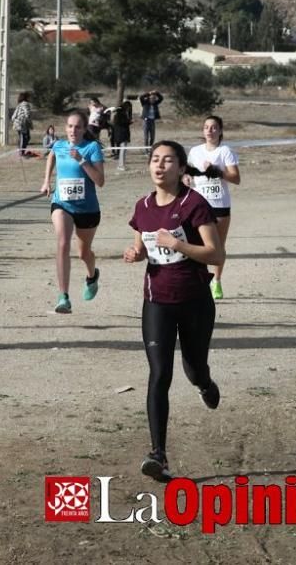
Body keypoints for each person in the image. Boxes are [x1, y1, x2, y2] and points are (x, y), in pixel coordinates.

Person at [124, 140, 224, 482]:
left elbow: (216, 254)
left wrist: (178, 244)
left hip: (195, 300)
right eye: (155, 159)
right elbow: (143, 245)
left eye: (168, 160)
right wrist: (135, 254)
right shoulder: (143, 207)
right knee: (159, 374)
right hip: (157, 301)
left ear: (182, 168)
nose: (160, 165)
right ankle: (158, 454)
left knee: (194, 369)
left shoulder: (194, 204)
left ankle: (206, 384)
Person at [40, 111, 105, 314]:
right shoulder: (59, 145)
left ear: (85, 129)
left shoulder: (92, 148)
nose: (72, 130)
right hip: (62, 204)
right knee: (62, 243)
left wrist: (82, 160)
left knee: (83, 253)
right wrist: (46, 181)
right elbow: (51, 156)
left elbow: (100, 181)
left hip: (87, 209)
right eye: (69, 126)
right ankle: (63, 297)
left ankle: (92, 275)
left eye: (77, 127)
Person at [187, 116, 240, 298]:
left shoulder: (226, 151)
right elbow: (188, 172)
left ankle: (216, 281)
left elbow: (236, 178)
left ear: (220, 131)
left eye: (214, 127)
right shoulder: (195, 151)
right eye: (206, 127)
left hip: (220, 205)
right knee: (195, 245)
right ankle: (199, 280)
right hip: (199, 205)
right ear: (203, 131)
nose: (210, 131)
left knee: (218, 247)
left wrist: (217, 171)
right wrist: (185, 178)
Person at [111, 100, 133, 170]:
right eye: (128, 107)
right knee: (122, 150)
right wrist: (128, 122)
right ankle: (121, 165)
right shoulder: (120, 113)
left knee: (123, 150)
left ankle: (122, 164)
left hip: (123, 133)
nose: (129, 109)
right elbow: (119, 123)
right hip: (121, 134)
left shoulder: (123, 113)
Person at [11, 93, 33, 157]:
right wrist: (30, 123)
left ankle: (21, 150)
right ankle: (21, 152)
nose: (30, 98)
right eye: (29, 97)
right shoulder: (25, 104)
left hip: (21, 124)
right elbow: (27, 115)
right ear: (26, 97)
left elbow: (13, 116)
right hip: (21, 124)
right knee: (23, 137)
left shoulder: (20, 104)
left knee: (26, 137)